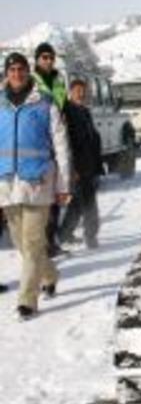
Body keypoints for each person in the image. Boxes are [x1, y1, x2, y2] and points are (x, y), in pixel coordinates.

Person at [0, 52, 71, 320]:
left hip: (38, 183)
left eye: (21, 69)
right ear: (6, 73)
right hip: (6, 184)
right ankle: (50, 273)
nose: (16, 74)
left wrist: (63, 185)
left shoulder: (45, 103)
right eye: (12, 69)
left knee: (31, 242)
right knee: (23, 244)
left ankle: (27, 301)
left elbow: (62, 147)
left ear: (28, 71)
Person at [32, 42, 67, 258]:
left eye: (50, 57)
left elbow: (63, 105)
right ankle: (41, 244)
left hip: (57, 136)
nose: (48, 60)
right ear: (37, 59)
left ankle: (51, 240)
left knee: (56, 193)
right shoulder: (31, 80)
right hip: (39, 141)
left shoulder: (58, 80)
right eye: (44, 57)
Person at [57, 79, 102, 249]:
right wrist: (71, 168)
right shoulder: (67, 111)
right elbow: (66, 142)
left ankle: (63, 234)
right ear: (70, 92)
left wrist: (98, 164)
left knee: (77, 204)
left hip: (89, 165)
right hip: (76, 166)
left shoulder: (84, 111)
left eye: (83, 90)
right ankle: (91, 237)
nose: (80, 94)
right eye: (77, 90)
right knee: (89, 203)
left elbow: (92, 139)